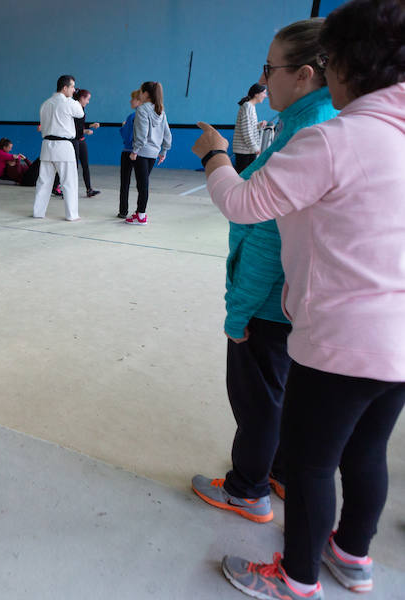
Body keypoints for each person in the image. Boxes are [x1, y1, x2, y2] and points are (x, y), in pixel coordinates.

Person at [192, 1, 405, 597]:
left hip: (341, 339)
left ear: (335, 66)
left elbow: (247, 209)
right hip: (396, 339)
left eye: (271, 68)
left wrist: (214, 156)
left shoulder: (330, 139)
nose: (265, 79)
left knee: (311, 464)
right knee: (366, 452)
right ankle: (352, 556)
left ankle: (298, 579)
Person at [191, 17, 338, 527]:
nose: (262, 78)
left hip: (270, 301)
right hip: (295, 302)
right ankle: (279, 472)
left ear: (303, 74)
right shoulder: (317, 123)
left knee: (258, 398)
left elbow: (264, 234)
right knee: (282, 391)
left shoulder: (307, 134)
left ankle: (246, 489)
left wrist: (240, 311)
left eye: (269, 68)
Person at [33, 74, 84, 221]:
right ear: (65, 88)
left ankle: (38, 212)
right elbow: (80, 113)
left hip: (47, 146)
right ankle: (71, 214)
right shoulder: (69, 103)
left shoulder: (45, 104)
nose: (74, 90)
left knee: (44, 182)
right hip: (63, 147)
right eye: (72, 87)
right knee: (69, 182)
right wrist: (74, 100)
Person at [127, 81, 171, 225]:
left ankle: (141, 216)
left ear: (146, 93)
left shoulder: (142, 109)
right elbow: (167, 134)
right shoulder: (160, 110)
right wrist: (164, 151)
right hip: (154, 153)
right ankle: (139, 212)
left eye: (141, 91)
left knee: (143, 185)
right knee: (142, 184)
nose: (139, 94)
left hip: (142, 152)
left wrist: (135, 151)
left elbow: (142, 133)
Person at [117, 89, 142, 218]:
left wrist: (123, 126)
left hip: (128, 151)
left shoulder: (132, 117)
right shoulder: (149, 116)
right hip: (142, 153)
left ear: (139, 101)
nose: (130, 101)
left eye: (133, 99)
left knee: (125, 182)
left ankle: (123, 210)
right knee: (141, 183)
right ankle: (140, 211)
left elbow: (126, 136)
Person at [232, 84, 268, 173]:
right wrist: (255, 147)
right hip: (244, 151)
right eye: (264, 93)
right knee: (243, 177)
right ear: (256, 94)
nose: (265, 96)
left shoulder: (251, 106)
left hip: (248, 150)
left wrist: (259, 125)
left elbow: (249, 126)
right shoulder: (247, 106)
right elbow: (246, 130)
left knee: (247, 176)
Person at [72, 88, 100, 197]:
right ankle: (63, 188)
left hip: (81, 141)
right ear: (81, 98)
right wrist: (85, 131)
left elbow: (81, 125)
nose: (88, 102)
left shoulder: (82, 108)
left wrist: (91, 125)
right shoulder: (74, 109)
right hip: (74, 141)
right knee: (73, 166)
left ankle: (89, 189)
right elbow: (73, 128)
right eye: (87, 99)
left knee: (85, 165)